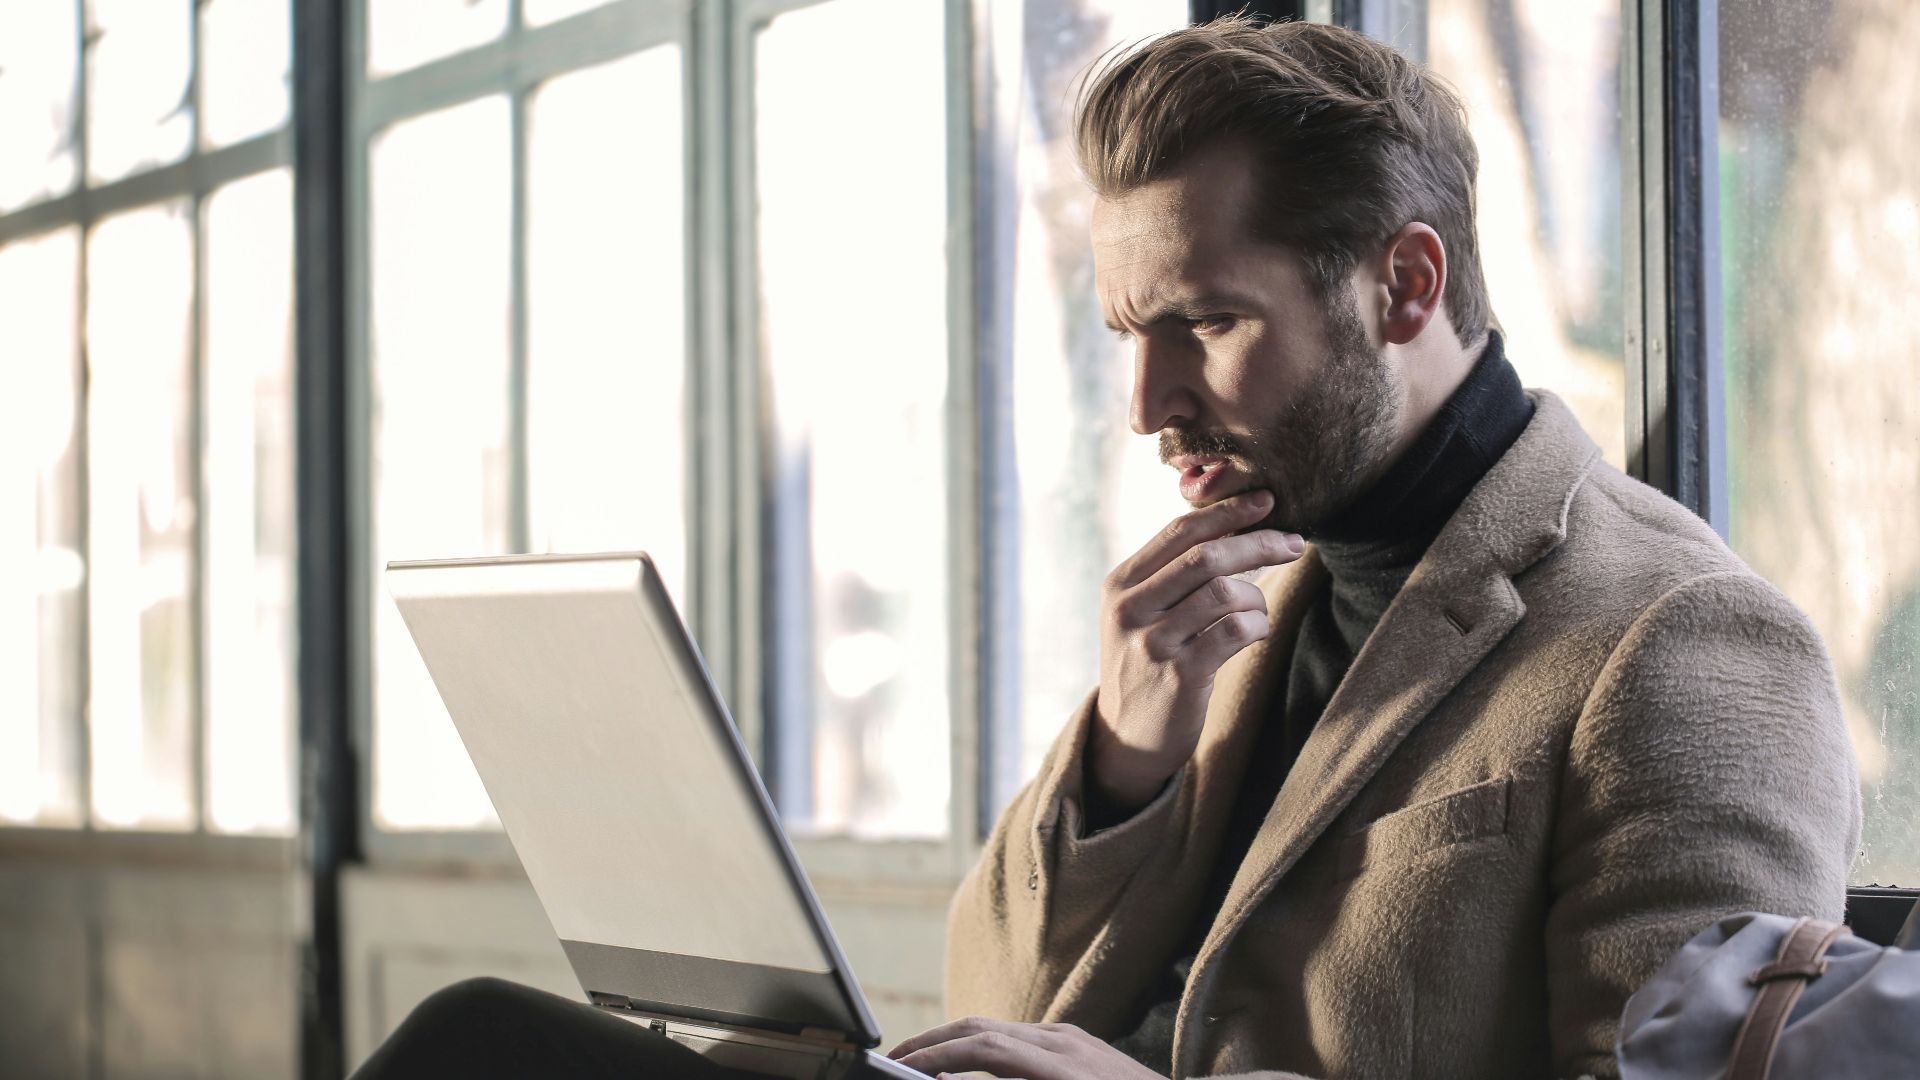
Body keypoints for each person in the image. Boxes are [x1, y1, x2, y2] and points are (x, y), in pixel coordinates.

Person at [351, 16, 1858, 1080]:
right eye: (1131, 337)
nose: (1148, 406)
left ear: (1404, 285)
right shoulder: (1245, 598)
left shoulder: (1680, 642)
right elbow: (986, 1007)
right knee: (489, 1044)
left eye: (1204, 323)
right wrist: (1129, 758)